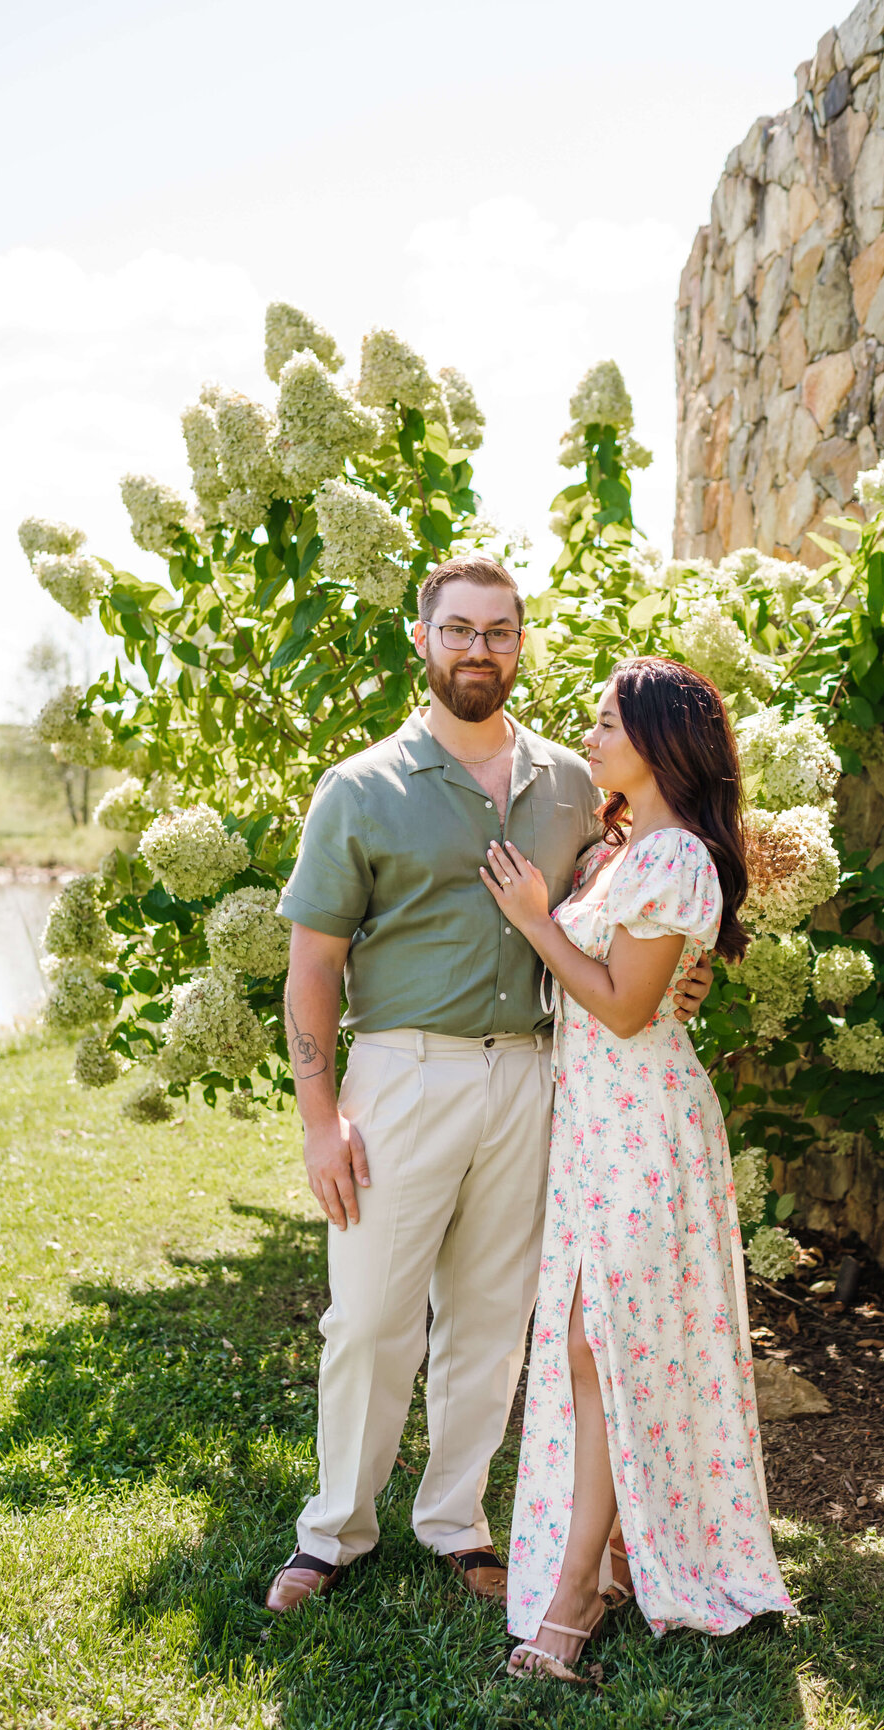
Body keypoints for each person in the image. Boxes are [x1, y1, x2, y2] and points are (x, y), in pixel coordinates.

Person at [263, 559, 713, 1613]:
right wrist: (320, 1119)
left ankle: (456, 1520)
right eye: (458, 630)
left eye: (499, 632)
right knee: (369, 1316)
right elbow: (312, 965)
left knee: (491, 1314)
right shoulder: (361, 787)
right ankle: (334, 1531)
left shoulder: (573, 783)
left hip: (536, 1078)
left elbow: (647, 889)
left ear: (521, 644)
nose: (479, 649)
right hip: (400, 1075)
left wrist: (688, 970)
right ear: (422, 640)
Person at [481, 656, 794, 1680]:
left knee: (597, 1341)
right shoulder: (623, 854)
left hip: (646, 1126)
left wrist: (534, 918)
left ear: (661, 742)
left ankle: (577, 1596)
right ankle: (604, 1558)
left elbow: (620, 1005)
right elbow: (628, 988)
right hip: (595, 1130)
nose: (594, 734)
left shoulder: (680, 861)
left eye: (609, 721)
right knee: (590, 1346)